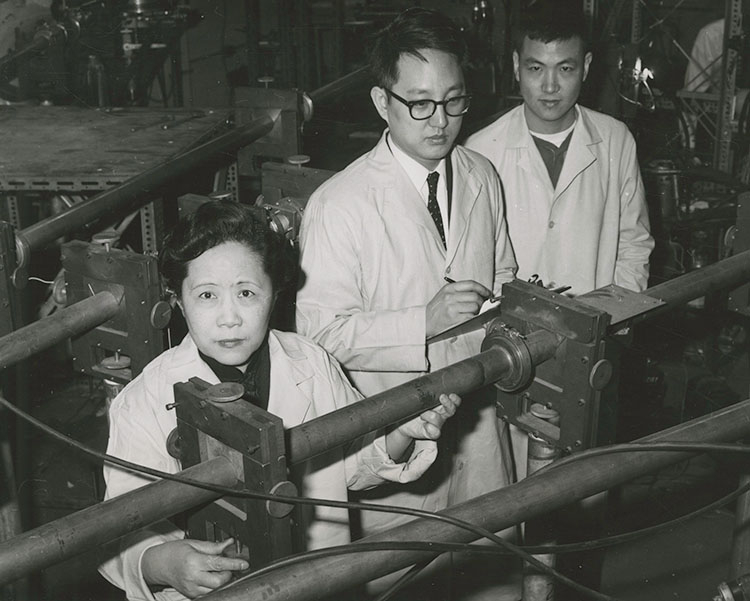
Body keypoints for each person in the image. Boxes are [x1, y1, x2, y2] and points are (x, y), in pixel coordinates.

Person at [98, 201, 461, 601]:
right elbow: (116, 529)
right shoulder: (145, 400)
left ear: (274, 296)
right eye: (206, 295)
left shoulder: (311, 362)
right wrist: (163, 563)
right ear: (180, 302)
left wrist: (399, 433)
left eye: (247, 293)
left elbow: (354, 466)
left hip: (318, 583)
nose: (229, 317)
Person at [296, 7, 518, 599]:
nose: (440, 121)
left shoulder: (483, 175)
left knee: (490, 575)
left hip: (478, 425)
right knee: (400, 584)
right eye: (419, 103)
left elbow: (504, 278)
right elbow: (318, 337)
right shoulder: (338, 204)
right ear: (381, 101)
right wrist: (423, 321)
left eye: (453, 101)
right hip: (389, 442)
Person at [466, 2, 653, 298]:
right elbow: (473, 261)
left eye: (565, 68)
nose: (550, 86)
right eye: (536, 68)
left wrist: (612, 319)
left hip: (596, 327)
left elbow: (633, 243)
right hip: (510, 331)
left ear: (586, 66)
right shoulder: (479, 150)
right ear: (517, 66)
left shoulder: (616, 140)